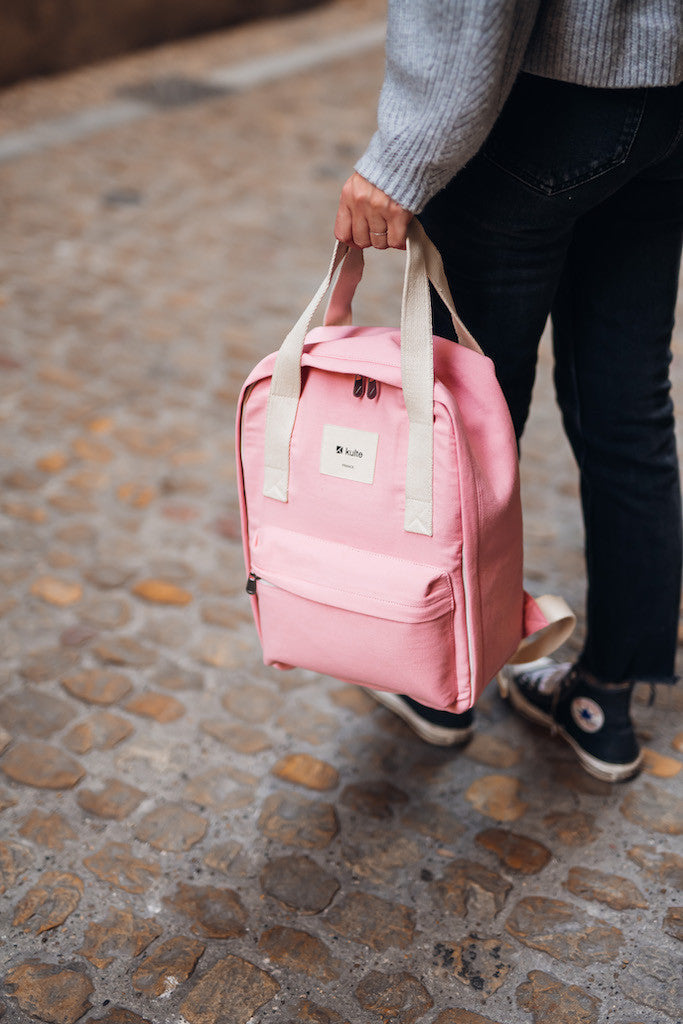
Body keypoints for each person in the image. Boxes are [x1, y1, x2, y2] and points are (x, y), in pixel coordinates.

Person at [334, 0, 683, 782]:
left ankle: (439, 689)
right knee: (627, 409)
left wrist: (402, 155)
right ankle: (602, 703)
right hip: (665, 101)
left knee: (463, 414)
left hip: (535, 109)